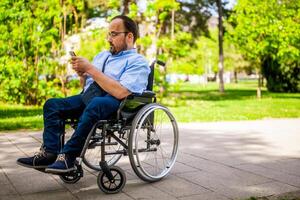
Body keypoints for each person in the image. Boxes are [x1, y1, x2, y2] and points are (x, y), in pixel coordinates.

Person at [16, 15, 150, 174]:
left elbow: (121, 92)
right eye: (109, 34)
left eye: (113, 34)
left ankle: (68, 157)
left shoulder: (138, 61)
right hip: (91, 96)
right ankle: (50, 153)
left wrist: (90, 69)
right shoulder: (102, 56)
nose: (109, 38)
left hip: (115, 102)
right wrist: (83, 74)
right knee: (52, 105)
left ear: (129, 36)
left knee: (97, 104)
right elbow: (86, 87)